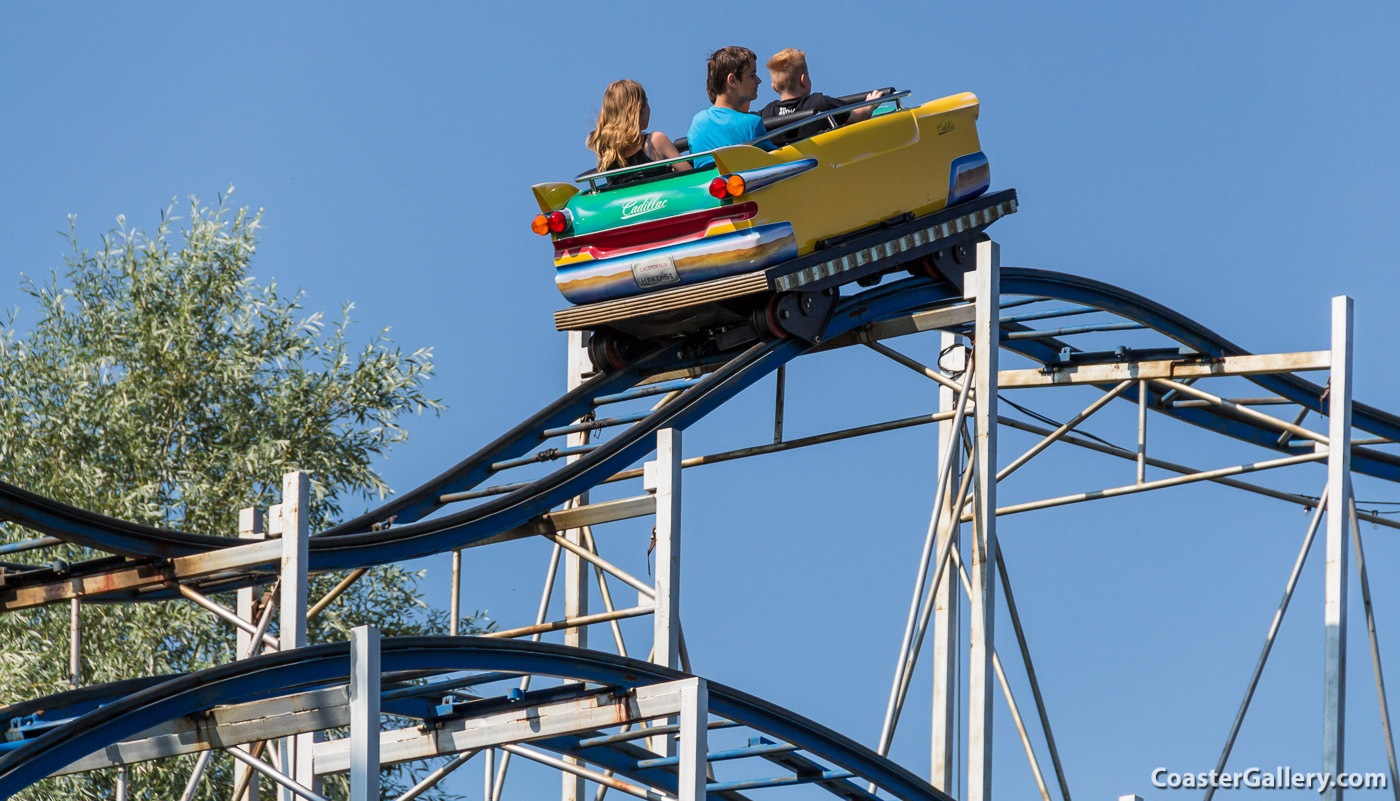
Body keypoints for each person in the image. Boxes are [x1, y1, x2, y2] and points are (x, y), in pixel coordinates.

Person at [758, 49, 887, 146]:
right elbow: (859, 116)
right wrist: (871, 103)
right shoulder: (820, 104)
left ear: (774, 87)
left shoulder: (767, 114)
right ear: (803, 80)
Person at [686, 46, 776, 167]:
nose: (758, 80)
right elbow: (777, 161)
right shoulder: (752, 124)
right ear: (733, 81)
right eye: (752, 75)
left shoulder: (697, 123)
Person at [586, 79, 686, 185]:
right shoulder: (655, 141)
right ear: (640, 110)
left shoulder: (606, 152)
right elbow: (693, 178)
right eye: (647, 102)